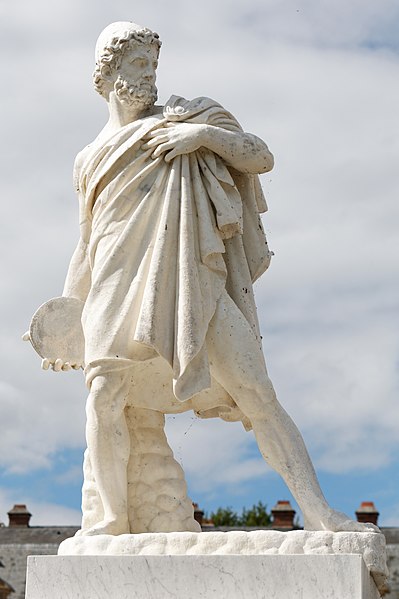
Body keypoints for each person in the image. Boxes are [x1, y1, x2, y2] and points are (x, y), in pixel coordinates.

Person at [48, 21, 377, 536]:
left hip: (193, 277)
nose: (150, 76)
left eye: (154, 65)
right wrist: (66, 316)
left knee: (258, 393)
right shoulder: (87, 158)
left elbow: (261, 156)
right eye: (139, 66)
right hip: (112, 287)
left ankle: (321, 514)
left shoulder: (187, 116)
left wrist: (203, 136)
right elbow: (87, 243)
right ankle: (109, 523)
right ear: (108, 74)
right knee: (105, 396)